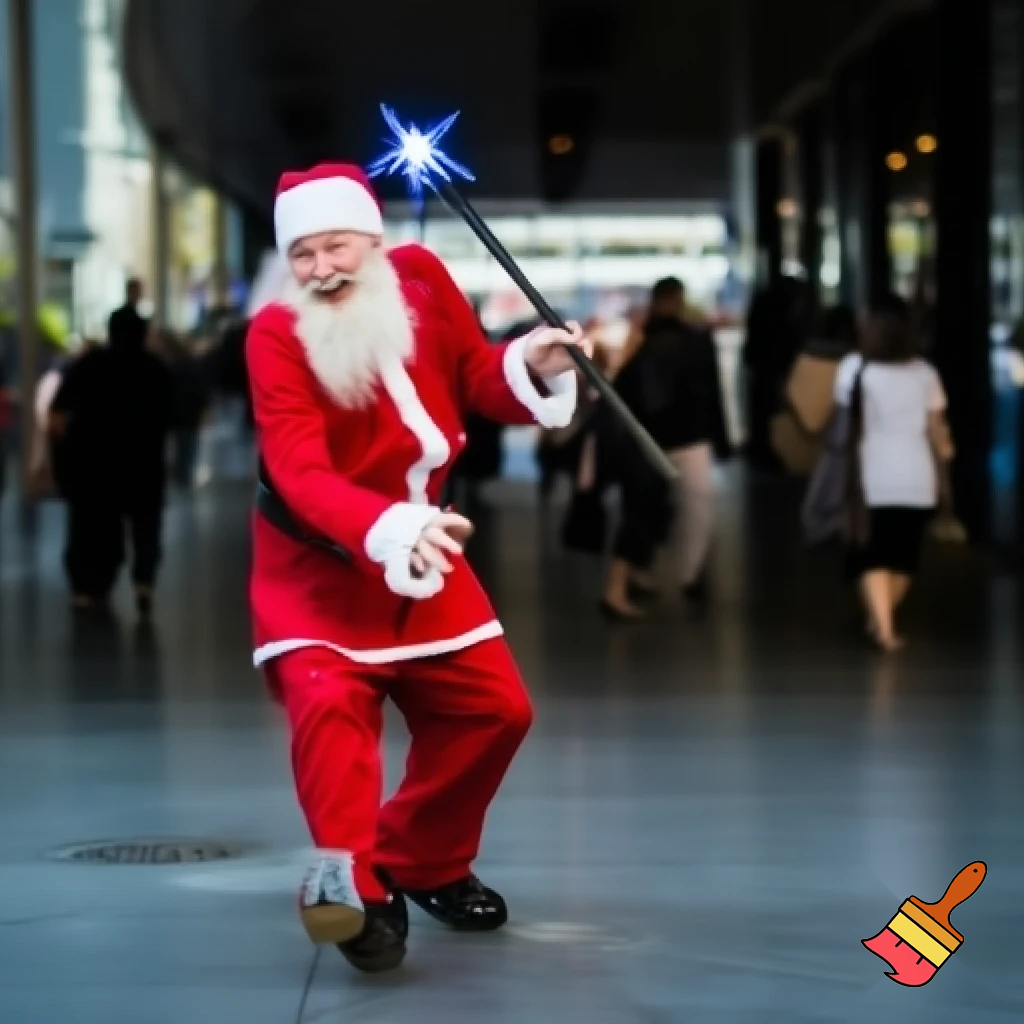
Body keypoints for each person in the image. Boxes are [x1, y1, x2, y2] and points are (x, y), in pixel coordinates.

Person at [245, 162, 589, 973]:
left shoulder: (424, 279)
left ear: (373, 238)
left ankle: (422, 858)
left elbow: (473, 375)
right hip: (316, 568)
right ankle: (351, 889)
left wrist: (531, 364)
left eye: (335, 246)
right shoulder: (274, 334)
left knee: (496, 712)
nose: (321, 267)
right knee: (330, 711)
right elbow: (300, 472)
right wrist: (387, 526)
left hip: (427, 554)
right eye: (303, 254)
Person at [600, 277, 731, 618]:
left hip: (650, 437)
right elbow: (711, 393)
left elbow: (621, 386)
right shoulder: (693, 341)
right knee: (685, 507)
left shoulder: (642, 339)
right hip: (682, 436)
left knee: (649, 507)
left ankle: (645, 574)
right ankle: (684, 573)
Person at [834, 294, 953, 652]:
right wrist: (947, 454)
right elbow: (937, 428)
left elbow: (842, 418)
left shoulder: (854, 367)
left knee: (872, 554)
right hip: (916, 473)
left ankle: (882, 623)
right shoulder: (925, 372)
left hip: (870, 472)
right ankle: (883, 621)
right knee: (904, 557)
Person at [49, 312, 173, 616]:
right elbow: (174, 415)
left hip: (96, 464)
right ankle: (144, 582)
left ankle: (91, 588)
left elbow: (59, 409)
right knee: (146, 525)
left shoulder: (90, 365)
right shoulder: (154, 368)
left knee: (96, 525)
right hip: (144, 463)